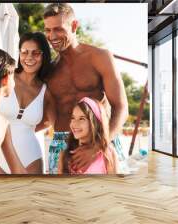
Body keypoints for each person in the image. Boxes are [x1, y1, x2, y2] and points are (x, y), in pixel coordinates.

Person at [43, 3, 128, 174]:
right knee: (62, 199)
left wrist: (98, 146)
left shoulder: (100, 57)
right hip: (62, 144)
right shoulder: (49, 71)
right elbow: (46, 115)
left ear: (74, 26)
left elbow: (121, 107)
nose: (52, 36)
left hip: (102, 139)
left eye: (58, 29)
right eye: (48, 30)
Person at [0, 32, 56, 174]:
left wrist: (27, 128)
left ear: (44, 56)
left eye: (36, 53)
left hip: (31, 155)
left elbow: (50, 122)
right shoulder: (5, 77)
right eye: (24, 52)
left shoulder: (46, 91)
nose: (29, 57)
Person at [58, 97, 119, 174]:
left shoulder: (108, 154)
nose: (74, 124)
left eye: (82, 118)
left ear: (95, 123)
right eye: (73, 118)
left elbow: (114, 185)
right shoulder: (65, 154)